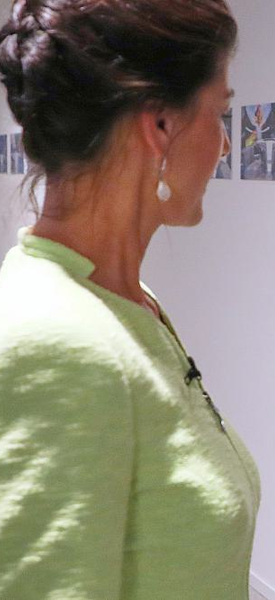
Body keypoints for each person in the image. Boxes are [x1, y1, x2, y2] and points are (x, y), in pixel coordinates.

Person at [0, 1, 260, 598]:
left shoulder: (130, 305)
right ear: (161, 126)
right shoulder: (57, 340)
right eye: (220, 113)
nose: (223, 146)